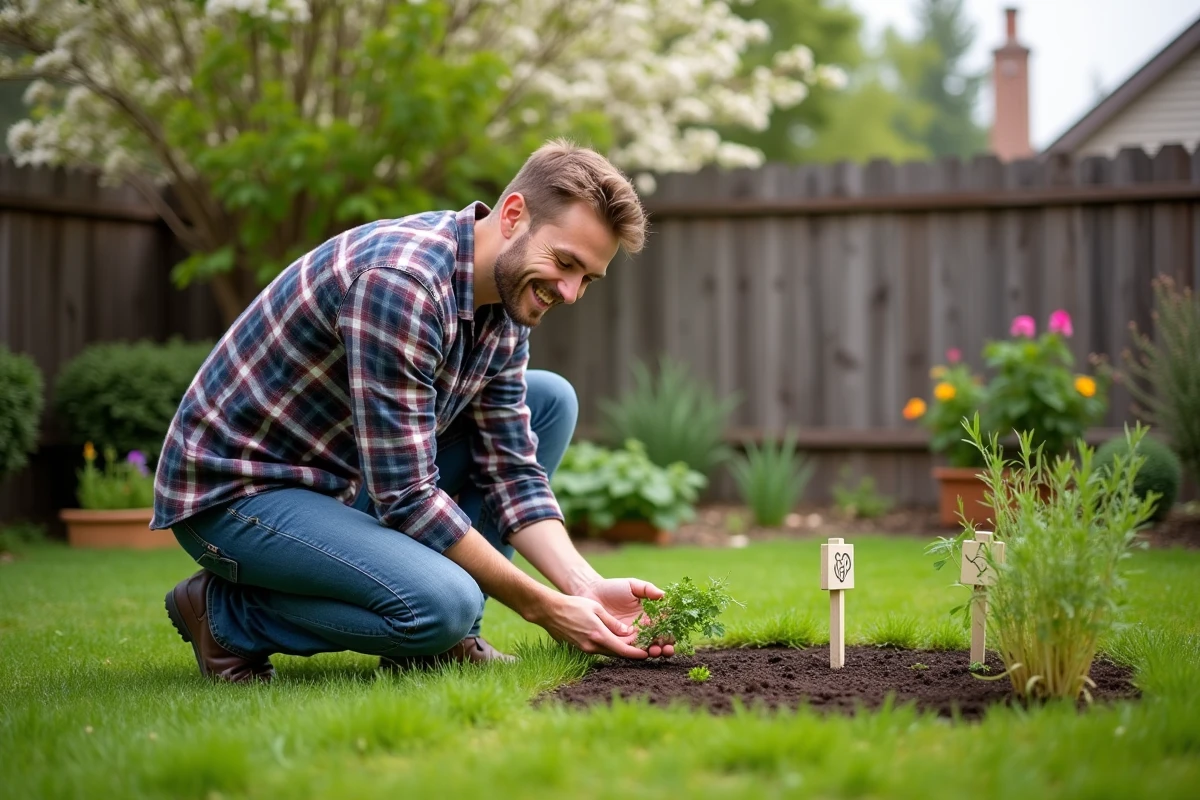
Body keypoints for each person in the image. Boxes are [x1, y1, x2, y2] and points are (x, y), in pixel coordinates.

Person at [151, 140, 675, 683]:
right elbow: (406, 495)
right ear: (513, 215)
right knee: (444, 605)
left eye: (587, 278)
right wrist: (543, 607)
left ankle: (447, 641)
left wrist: (584, 587)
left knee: (548, 402)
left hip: (346, 481)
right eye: (565, 263)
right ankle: (225, 615)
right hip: (240, 493)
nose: (569, 292)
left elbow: (511, 469)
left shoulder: (507, 301)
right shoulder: (402, 283)